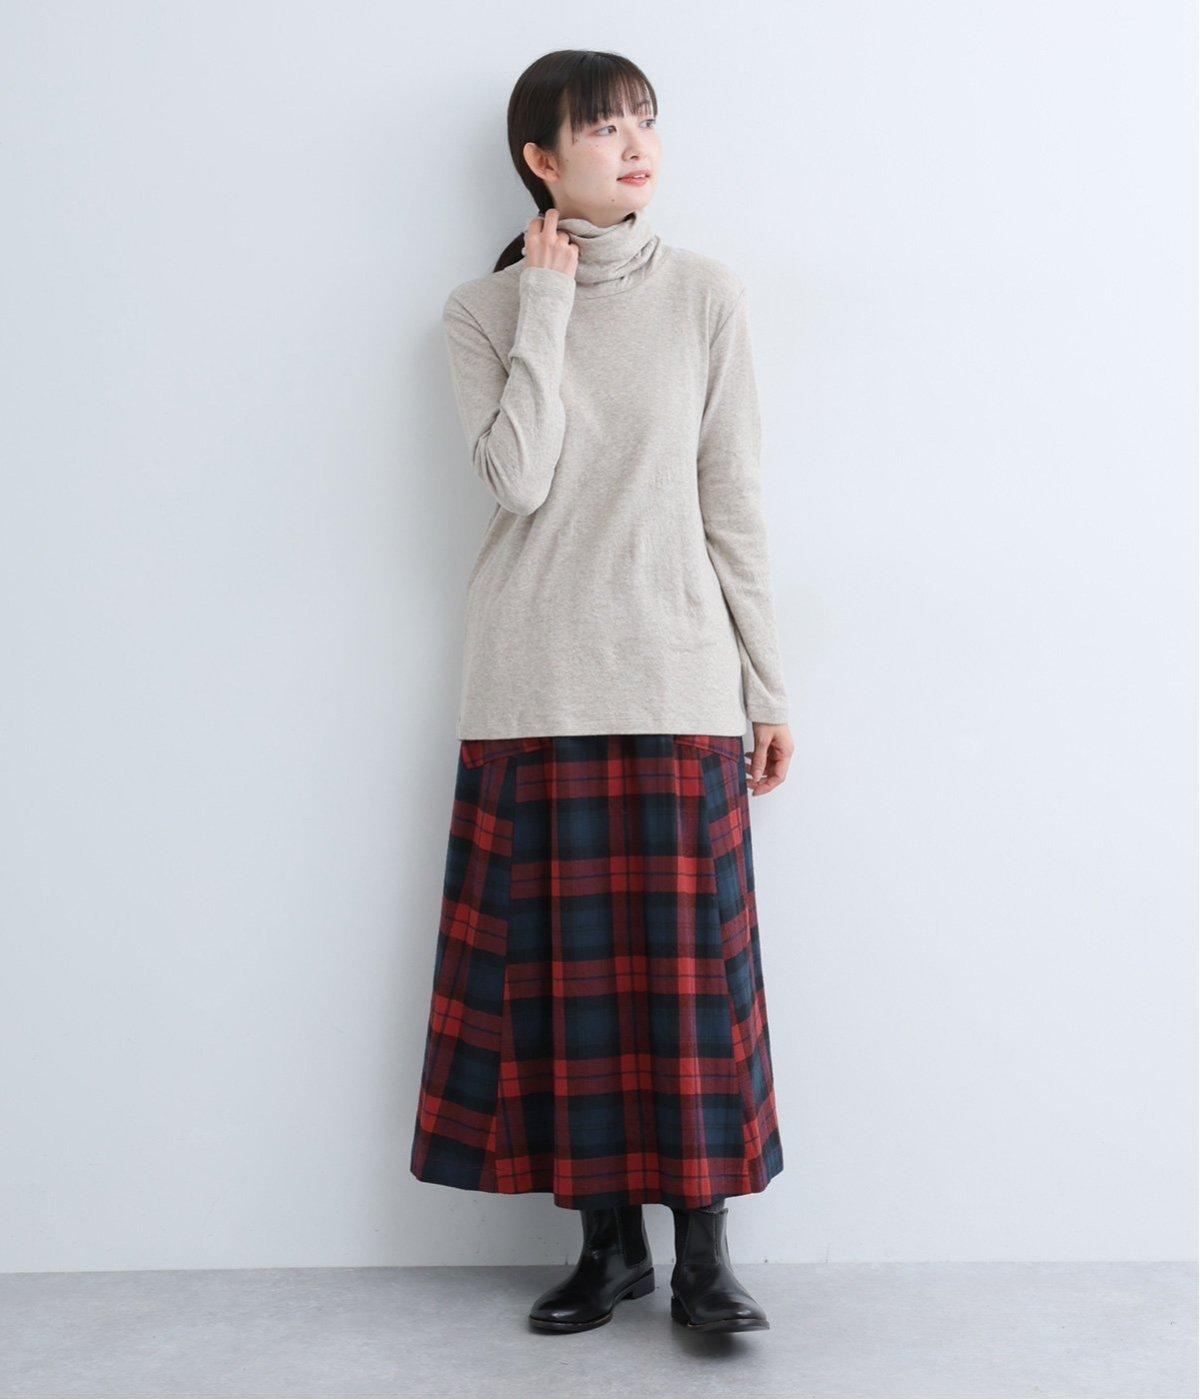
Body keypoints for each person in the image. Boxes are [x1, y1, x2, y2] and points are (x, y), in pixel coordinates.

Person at [410, 48, 794, 1335]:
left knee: (692, 992)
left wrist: (768, 684)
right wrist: (548, 304)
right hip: (534, 681)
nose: (635, 146)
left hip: (677, 672)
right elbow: (518, 480)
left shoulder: (706, 294)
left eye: (645, 122)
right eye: (603, 128)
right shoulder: (482, 310)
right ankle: (607, 1249)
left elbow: (732, 497)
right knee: (563, 990)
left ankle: (706, 1258)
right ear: (541, 159)